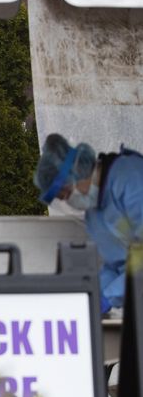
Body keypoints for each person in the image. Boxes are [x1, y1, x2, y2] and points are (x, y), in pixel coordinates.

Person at [34, 133, 143, 314]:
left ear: (78, 171)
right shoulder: (94, 215)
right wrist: (90, 295)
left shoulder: (130, 178)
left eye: (67, 193)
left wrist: (108, 296)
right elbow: (117, 265)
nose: (69, 202)